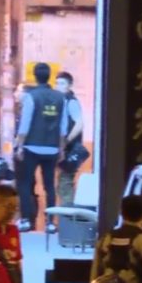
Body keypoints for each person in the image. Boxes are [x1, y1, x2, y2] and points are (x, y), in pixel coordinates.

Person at [15, 63, 67, 234]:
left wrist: (19, 145)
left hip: (31, 146)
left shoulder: (31, 96)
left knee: (25, 183)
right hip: (51, 148)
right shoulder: (61, 98)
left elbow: (25, 123)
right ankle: (51, 222)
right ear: (49, 76)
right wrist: (61, 148)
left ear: (35, 77)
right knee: (49, 185)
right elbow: (63, 127)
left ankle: (25, 219)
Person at [55, 72, 85, 206]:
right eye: (57, 83)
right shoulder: (63, 101)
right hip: (66, 149)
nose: (58, 86)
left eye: (62, 83)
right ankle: (66, 219)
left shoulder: (71, 101)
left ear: (70, 85)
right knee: (63, 185)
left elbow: (79, 124)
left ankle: (68, 220)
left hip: (71, 150)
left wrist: (66, 141)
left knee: (65, 185)